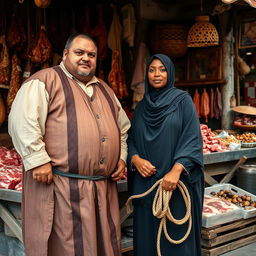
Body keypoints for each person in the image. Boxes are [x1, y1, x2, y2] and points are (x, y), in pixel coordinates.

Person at [8, 33, 131, 256]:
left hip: (100, 189)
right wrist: (37, 160)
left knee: (102, 246)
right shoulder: (44, 80)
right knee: (66, 247)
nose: (86, 58)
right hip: (60, 186)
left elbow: (123, 128)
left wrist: (121, 157)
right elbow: (21, 121)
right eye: (79, 52)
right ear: (65, 54)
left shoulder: (105, 89)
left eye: (91, 55)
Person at [127, 54, 204, 256]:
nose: (157, 74)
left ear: (170, 73)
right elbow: (131, 140)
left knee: (177, 243)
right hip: (147, 185)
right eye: (152, 70)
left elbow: (193, 139)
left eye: (162, 69)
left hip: (176, 185)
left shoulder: (183, 101)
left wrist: (176, 171)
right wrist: (135, 159)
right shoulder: (142, 107)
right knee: (148, 241)